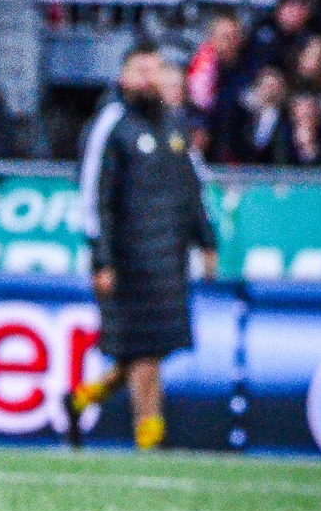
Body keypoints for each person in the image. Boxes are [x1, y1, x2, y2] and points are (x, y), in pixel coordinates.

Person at [67, 44, 218, 450]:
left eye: (156, 70)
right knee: (146, 354)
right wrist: (101, 258)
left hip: (168, 259)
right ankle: (150, 437)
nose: (150, 78)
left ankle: (85, 397)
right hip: (127, 258)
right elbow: (93, 195)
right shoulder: (111, 124)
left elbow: (191, 190)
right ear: (123, 76)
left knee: (151, 350)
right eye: (141, 70)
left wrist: (206, 241)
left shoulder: (173, 125)